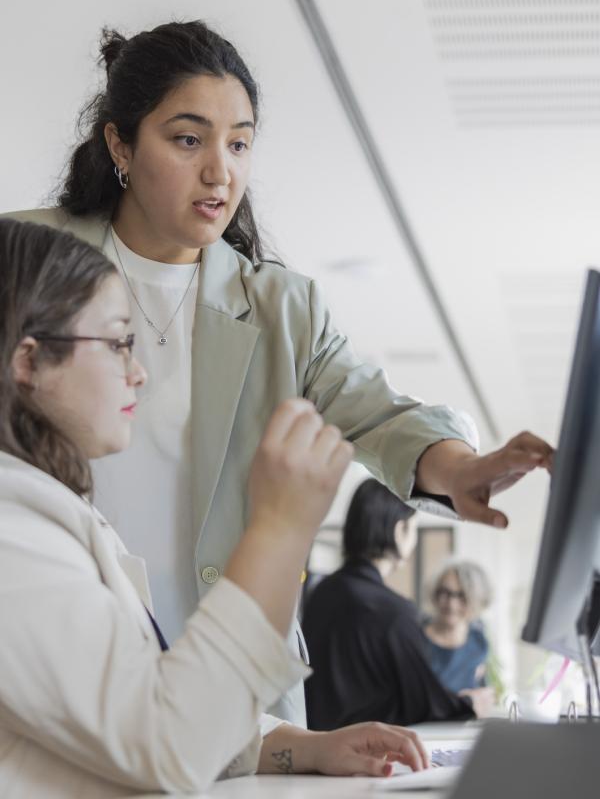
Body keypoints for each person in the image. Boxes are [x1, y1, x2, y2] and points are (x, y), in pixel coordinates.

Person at [3, 19, 553, 726]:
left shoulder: (280, 308)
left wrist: (461, 469)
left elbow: (377, 412)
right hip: (60, 662)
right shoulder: (28, 262)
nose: (220, 171)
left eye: (239, 143)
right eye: (187, 139)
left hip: (235, 688)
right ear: (120, 143)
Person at [0, 218, 433, 797]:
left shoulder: (41, 511)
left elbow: (125, 710)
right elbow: (166, 743)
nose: (138, 371)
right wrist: (277, 529)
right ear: (27, 362)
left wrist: (297, 747)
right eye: (117, 342)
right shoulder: (12, 531)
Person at [303, 479, 494, 730]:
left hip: (314, 746)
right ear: (400, 530)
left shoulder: (322, 593)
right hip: (364, 753)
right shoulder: (393, 611)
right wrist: (469, 704)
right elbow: (421, 702)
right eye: (413, 528)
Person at [423, 561, 493, 693]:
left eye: (462, 596)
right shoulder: (415, 638)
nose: (451, 604)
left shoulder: (478, 640)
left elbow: (481, 688)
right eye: (445, 593)